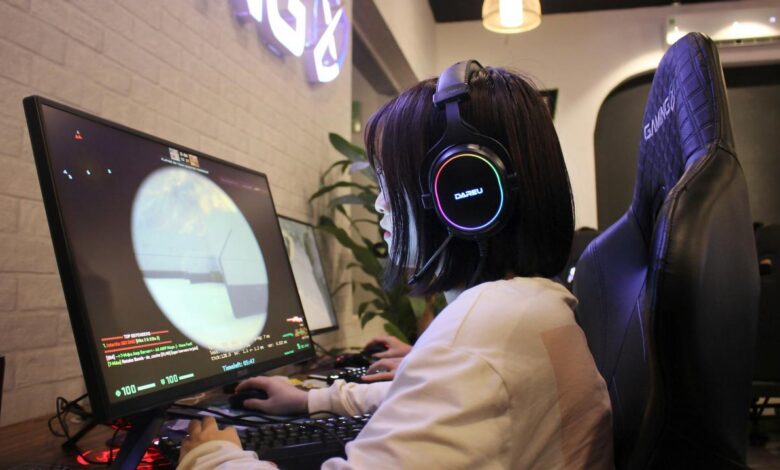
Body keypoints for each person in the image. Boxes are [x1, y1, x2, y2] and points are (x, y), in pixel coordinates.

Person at [178, 63, 613, 469]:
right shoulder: (531, 304)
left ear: (466, 191)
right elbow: (443, 395)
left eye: (388, 182)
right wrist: (316, 401)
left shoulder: (482, 333)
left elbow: (459, 376)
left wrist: (216, 457)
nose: (379, 203)